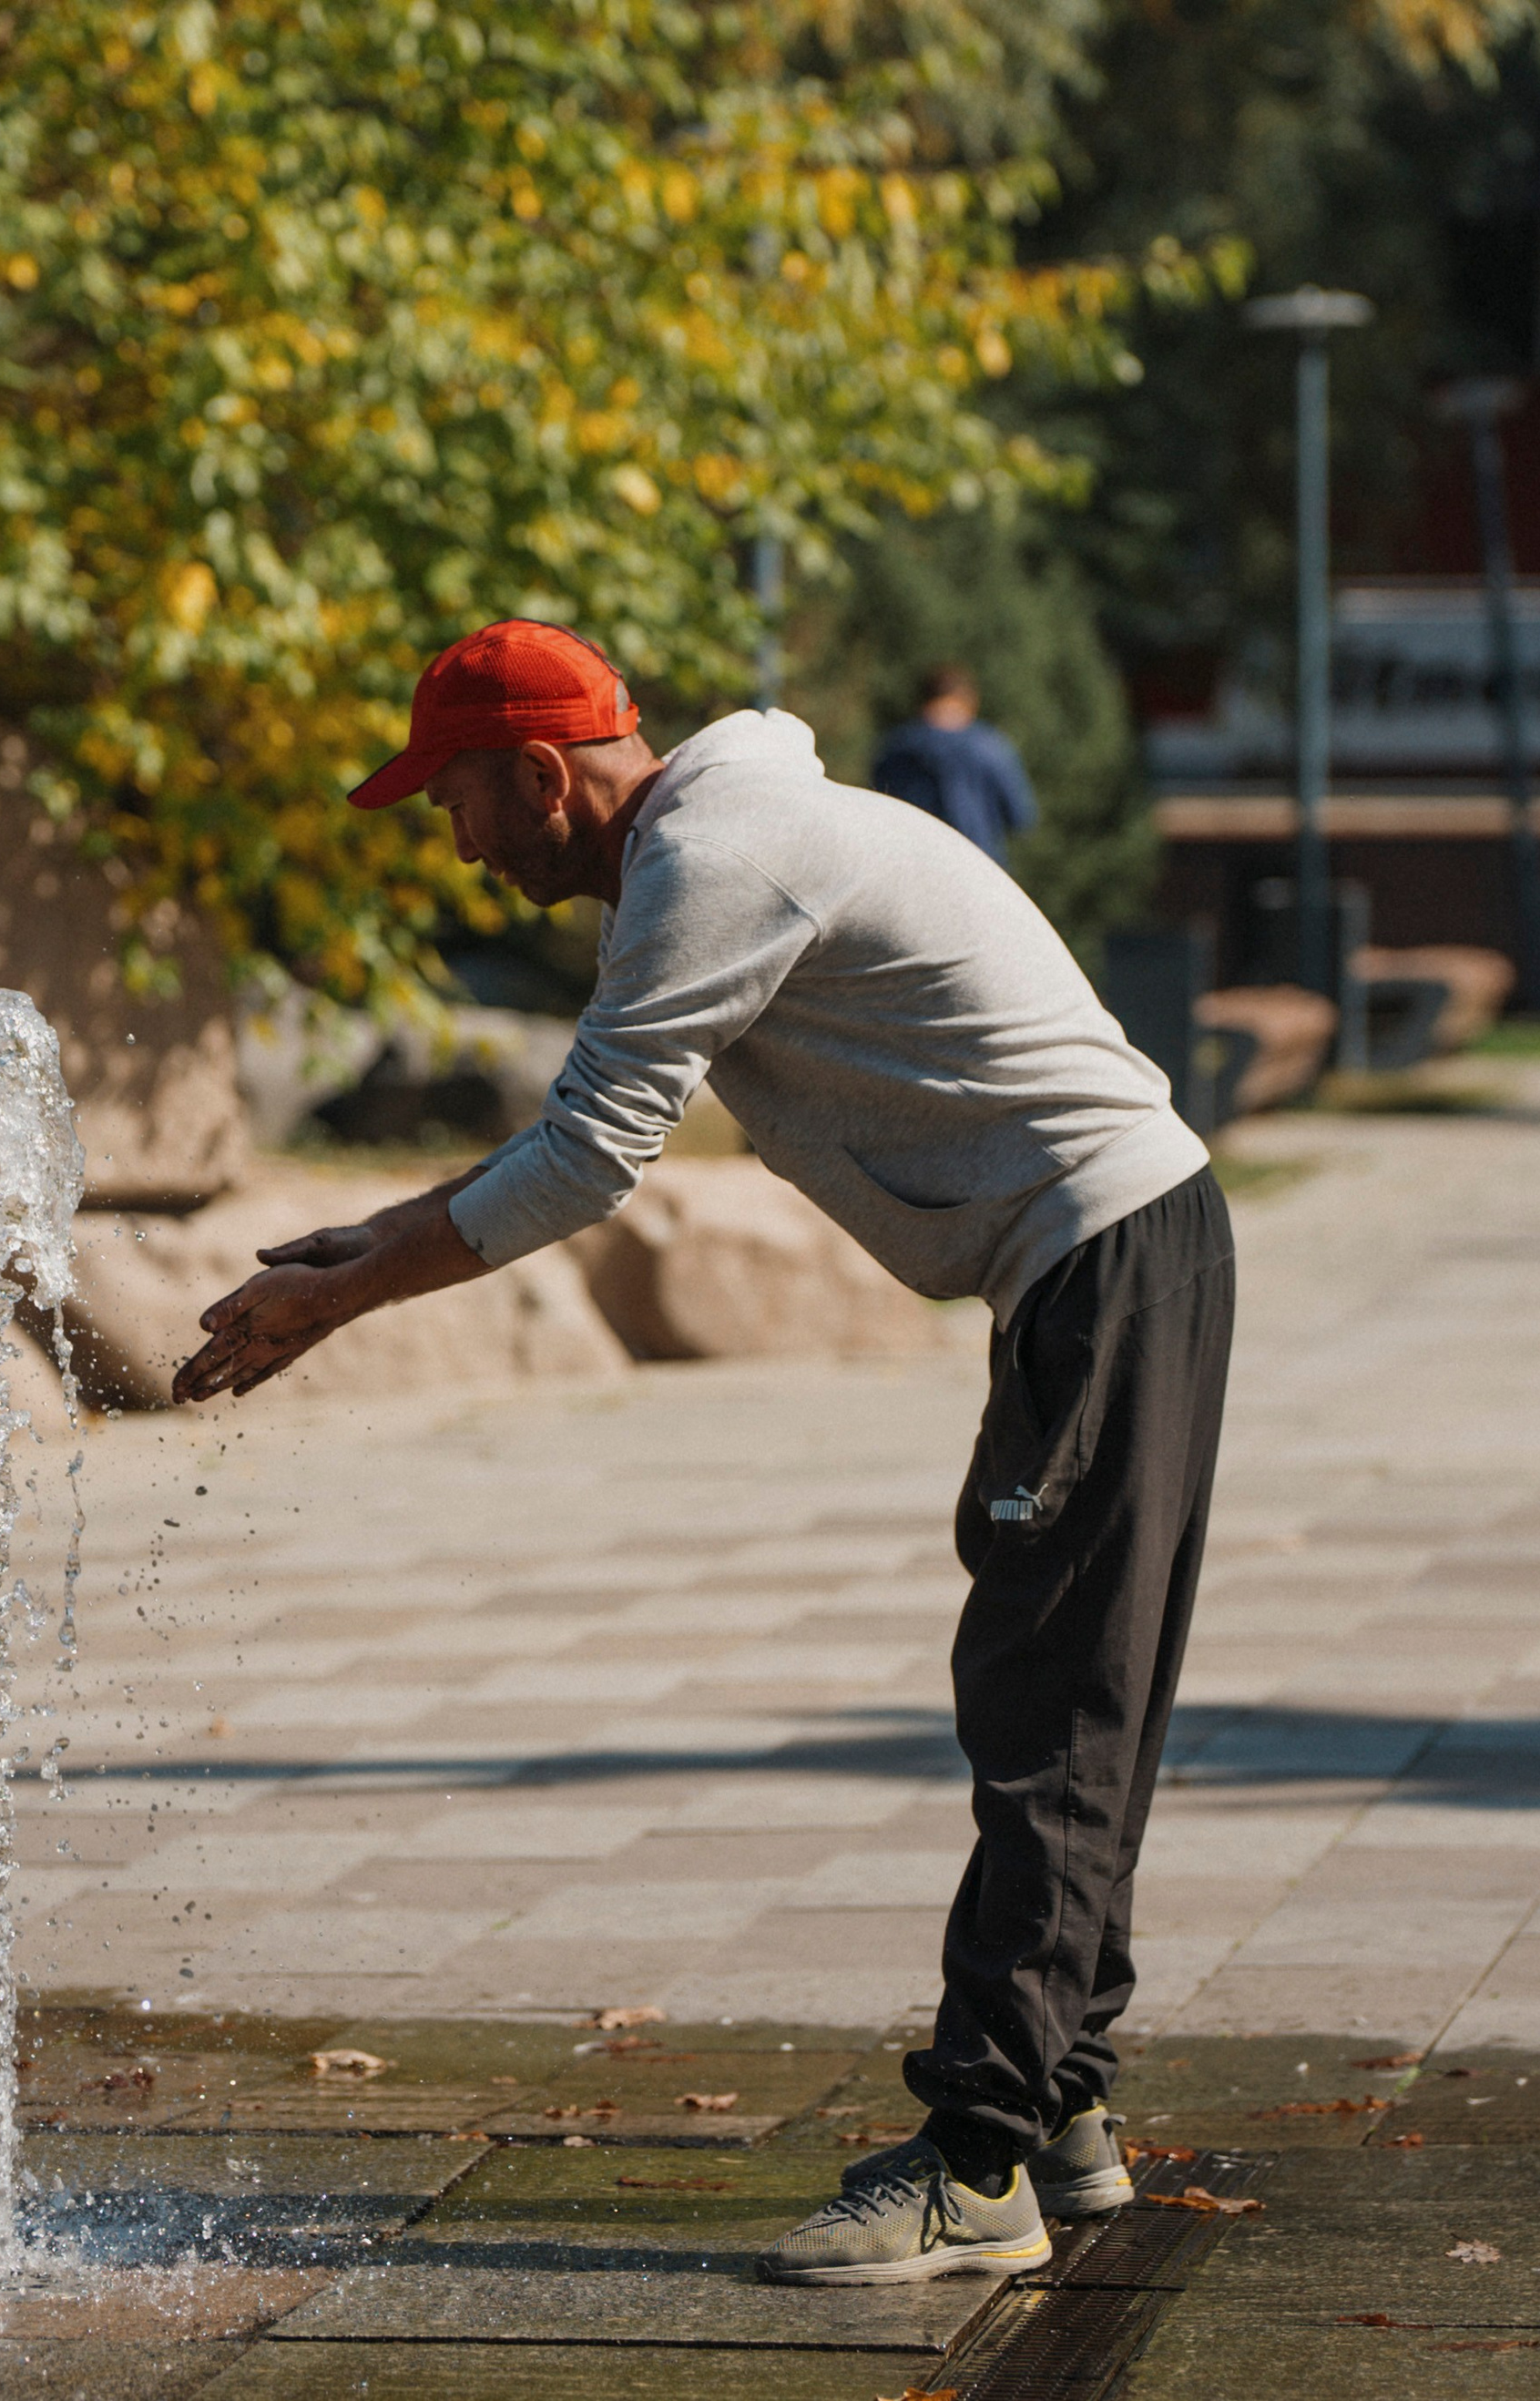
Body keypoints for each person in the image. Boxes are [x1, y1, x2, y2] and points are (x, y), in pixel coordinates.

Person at [174, 619, 1235, 2287]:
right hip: (1100, 1259)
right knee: (1052, 1685)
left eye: (453, 801)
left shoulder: (717, 857)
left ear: (540, 775)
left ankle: (978, 2162)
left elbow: (592, 1159)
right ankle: (1060, 2108)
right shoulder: (716, 843)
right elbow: (570, 1131)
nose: (450, 842)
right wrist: (363, 1239)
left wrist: (349, 1301)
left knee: (1056, 1707)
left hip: (1104, 1256)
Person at [870, 663, 1038, 867]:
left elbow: (878, 813)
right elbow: (1021, 817)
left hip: (909, 868)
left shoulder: (895, 748)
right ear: (970, 700)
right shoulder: (990, 746)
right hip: (979, 869)